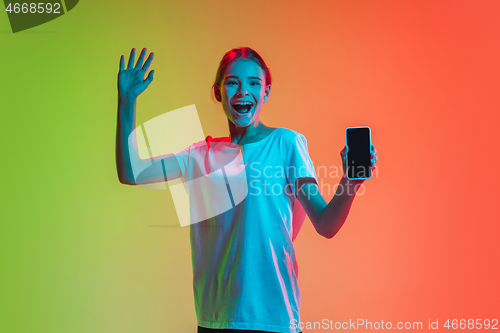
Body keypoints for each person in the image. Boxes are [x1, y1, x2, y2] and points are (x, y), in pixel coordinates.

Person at [115, 47, 378, 333]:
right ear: (218, 92)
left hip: (273, 318)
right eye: (232, 82)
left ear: (265, 92)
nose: (243, 91)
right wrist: (127, 101)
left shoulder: (285, 143)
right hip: (215, 319)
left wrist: (351, 181)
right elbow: (132, 172)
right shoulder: (199, 156)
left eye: (254, 83)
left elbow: (326, 224)